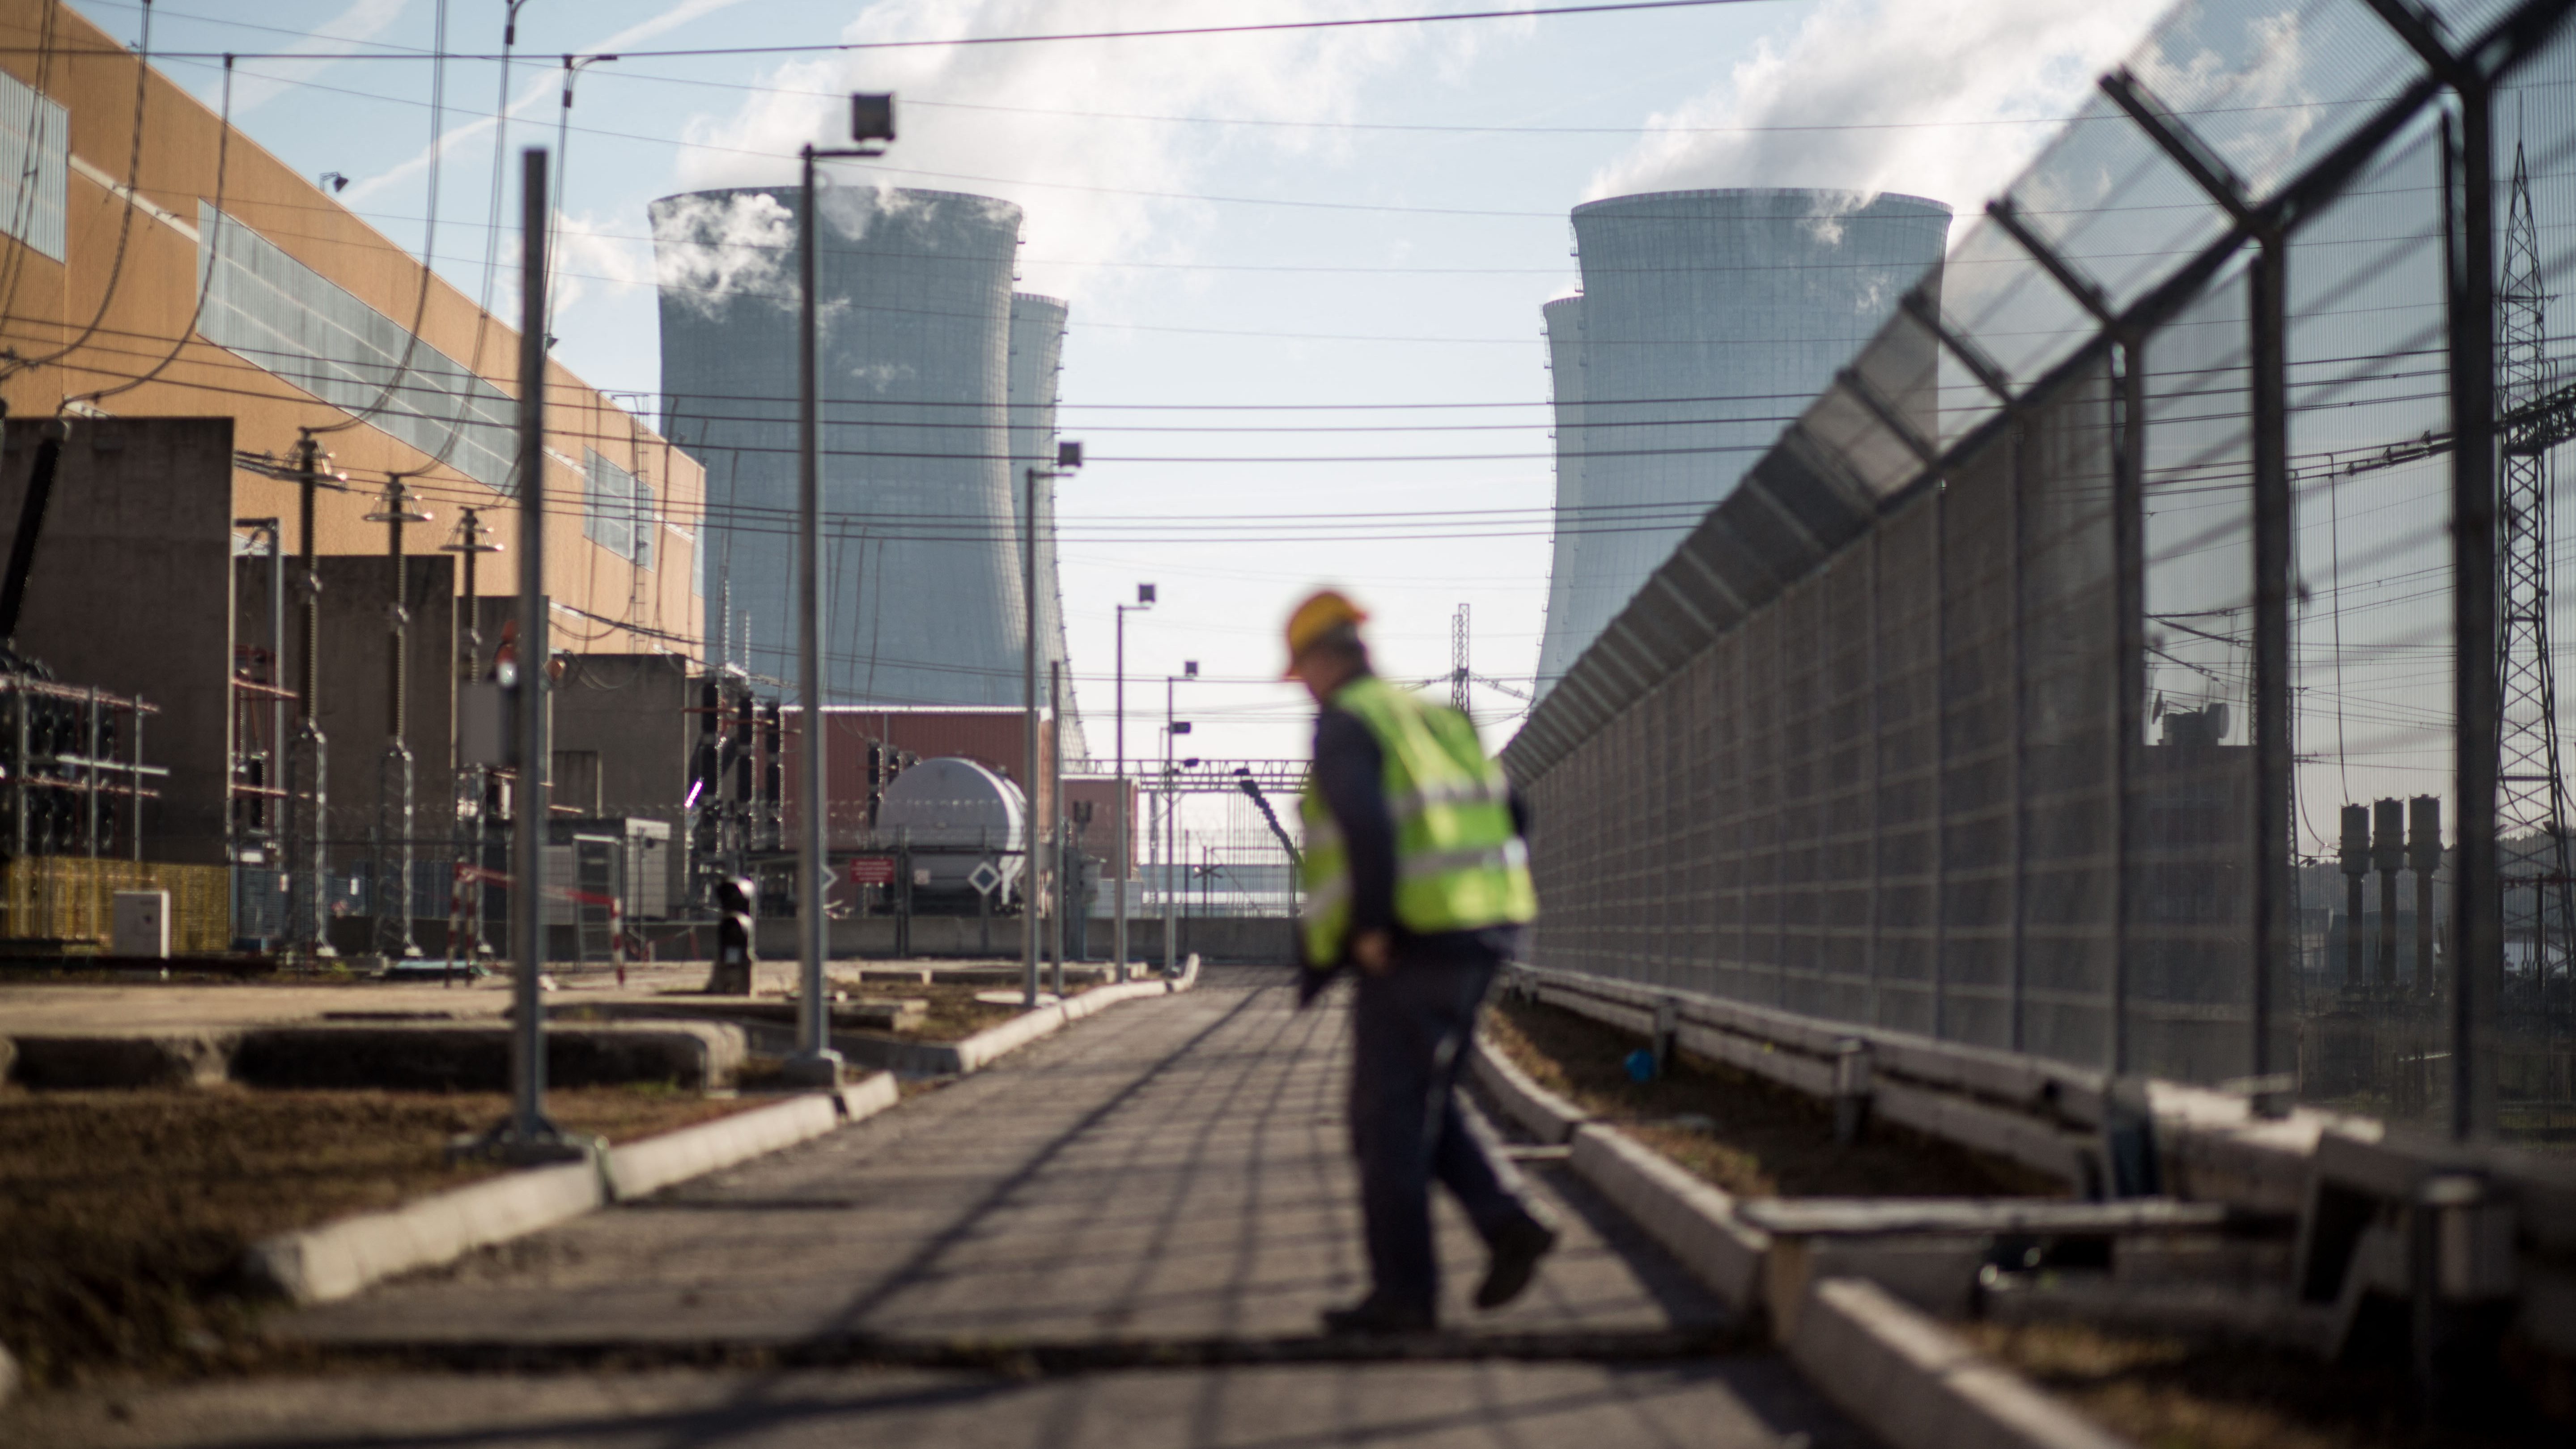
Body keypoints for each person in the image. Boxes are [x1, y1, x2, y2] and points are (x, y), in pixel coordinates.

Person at [1285, 588, 1555, 1336]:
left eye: (1302, 669)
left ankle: (1405, 1297)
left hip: (1413, 942)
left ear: (1324, 659)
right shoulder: (1440, 718)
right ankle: (1507, 1223)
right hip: (1487, 931)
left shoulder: (1349, 723)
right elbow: (1517, 816)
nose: (1302, 685)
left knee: (1386, 1122)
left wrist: (1371, 927)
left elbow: (1367, 826)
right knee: (1423, 1101)